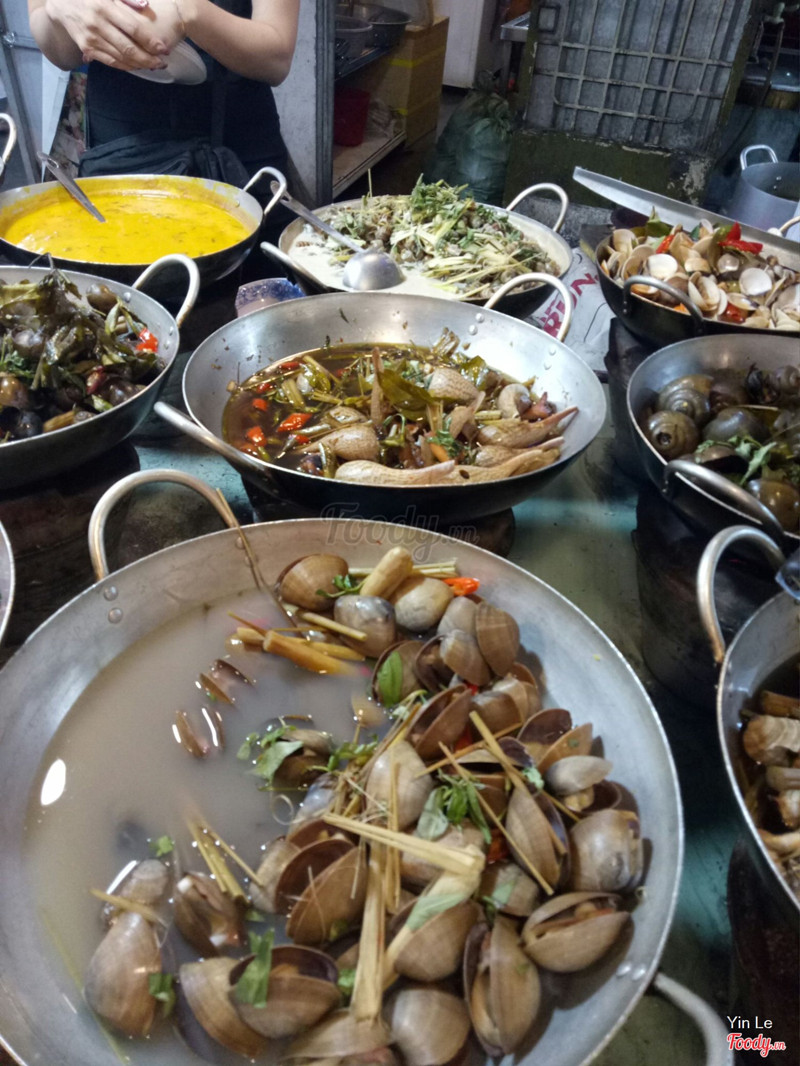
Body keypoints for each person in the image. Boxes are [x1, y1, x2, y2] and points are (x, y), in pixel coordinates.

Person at [26, 0, 300, 181]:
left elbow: (275, 61)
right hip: (119, 147)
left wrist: (188, 12)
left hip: (238, 148)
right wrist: (61, 10)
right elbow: (61, 54)